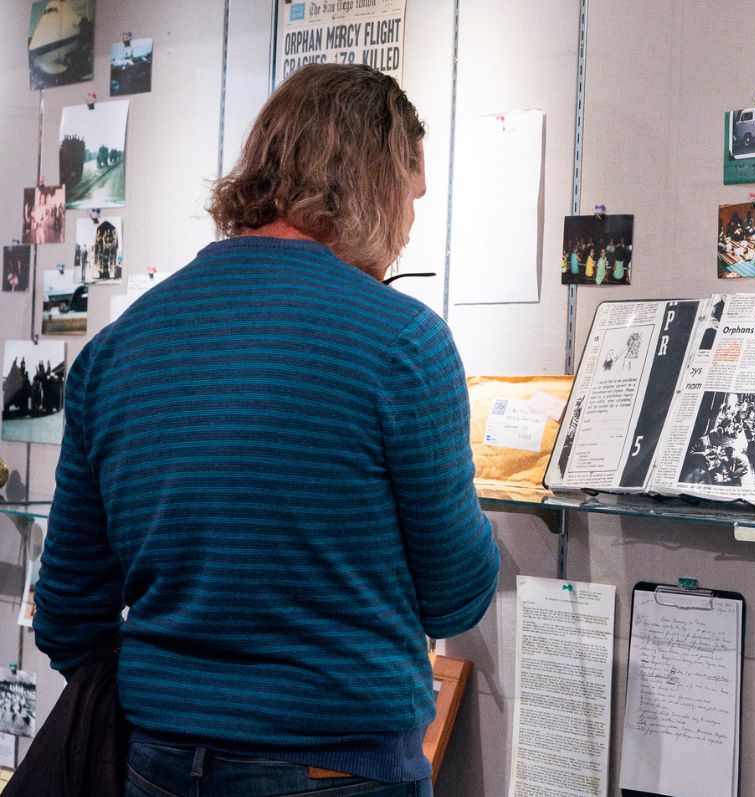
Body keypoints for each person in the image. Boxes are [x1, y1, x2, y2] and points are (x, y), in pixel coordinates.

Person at [34, 63, 500, 797]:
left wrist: (190, 692)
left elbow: (65, 614)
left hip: (154, 765)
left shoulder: (119, 348)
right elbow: (454, 597)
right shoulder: (404, 343)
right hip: (337, 766)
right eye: (410, 197)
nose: (409, 225)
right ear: (375, 182)